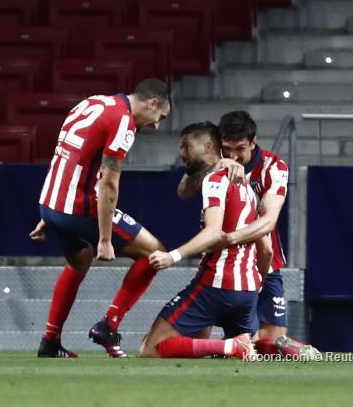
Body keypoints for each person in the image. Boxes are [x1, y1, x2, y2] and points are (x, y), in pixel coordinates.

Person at [30, 78, 171, 358]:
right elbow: (108, 184)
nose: (156, 125)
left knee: (79, 262)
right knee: (155, 252)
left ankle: (50, 341)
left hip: (51, 204)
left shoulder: (92, 102)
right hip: (79, 208)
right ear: (151, 103)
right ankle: (109, 325)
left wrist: (51, 214)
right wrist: (105, 239)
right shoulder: (123, 121)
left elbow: (67, 156)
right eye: (160, 117)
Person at [178, 110, 319, 359]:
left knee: (271, 343)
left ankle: (239, 345)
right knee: (196, 342)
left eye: (240, 149)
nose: (233, 156)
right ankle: (231, 346)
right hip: (220, 265)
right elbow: (183, 191)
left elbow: (268, 221)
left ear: (253, 142)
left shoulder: (274, 167)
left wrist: (231, 238)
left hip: (263, 262)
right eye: (227, 149)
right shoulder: (217, 160)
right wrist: (216, 166)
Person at [138, 122, 262, 359]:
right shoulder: (246, 185)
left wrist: (172, 256)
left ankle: (232, 346)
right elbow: (264, 246)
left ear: (208, 146)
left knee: (151, 348)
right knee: (204, 345)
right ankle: (286, 347)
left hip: (217, 284)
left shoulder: (216, 179)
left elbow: (213, 232)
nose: (181, 153)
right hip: (247, 289)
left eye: (187, 146)